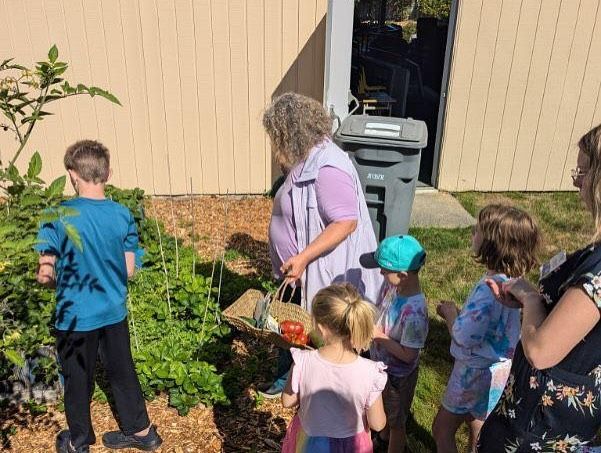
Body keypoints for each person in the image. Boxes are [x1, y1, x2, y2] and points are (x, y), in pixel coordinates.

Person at [477, 123, 601, 452]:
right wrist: (530, 304)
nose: (576, 179)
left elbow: (541, 351)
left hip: (541, 428)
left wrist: (530, 296)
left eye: (585, 171)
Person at [35, 140, 162, 453]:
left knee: (77, 379)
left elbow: (45, 273)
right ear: (108, 173)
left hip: (75, 316)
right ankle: (142, 432)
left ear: (72, 175)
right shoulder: (122, 215)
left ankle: (79, 440)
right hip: (114, 313)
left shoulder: (56, 216)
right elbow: (129, 270)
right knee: (122, 370)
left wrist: (52, 282)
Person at [260, 92, 382, 398]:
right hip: (299, 271)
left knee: (324, 328)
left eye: (276, 137)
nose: (274, 144)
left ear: (290, 133)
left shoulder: (328, 167)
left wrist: (301, 258)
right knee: (294, 322)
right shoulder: (308, 158)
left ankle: (328, 386)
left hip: (320, 270)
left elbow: (345, 222)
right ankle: (294, 375)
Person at [432, 204, 540, 453]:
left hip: (473, 371)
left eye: (477, 230)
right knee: (478, 423)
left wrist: (450, 315)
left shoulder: (487, 289)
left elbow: (463, 336)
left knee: (441, 429)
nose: (472, 233)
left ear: (494, 243)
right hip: (500, 370)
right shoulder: (517, 285)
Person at [281, 283, 387, 452]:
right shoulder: (370, 372)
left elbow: (288, 401)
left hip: (311, 445)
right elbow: (378, 423)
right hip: (352, 446)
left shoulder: (303, 361)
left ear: (321, 328)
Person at [360, 235, 429, 453]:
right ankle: (384, 436)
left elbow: (409, 355)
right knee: (384, 410)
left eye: (383, 270)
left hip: (399, 376)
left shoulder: (415, 312)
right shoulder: (394, 287)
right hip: (382, 365)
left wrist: (378, 336)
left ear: (402, 275)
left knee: (398, 421)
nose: (380, 273)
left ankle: (394, 446)